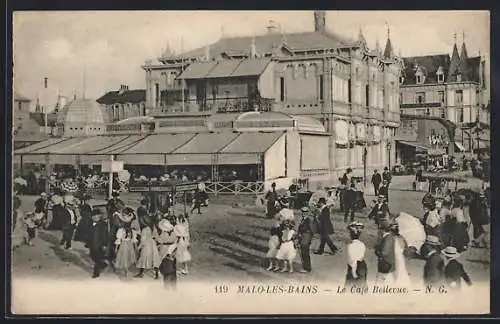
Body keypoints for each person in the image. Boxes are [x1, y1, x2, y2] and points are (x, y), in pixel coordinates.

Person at [114, 212, 139, 277]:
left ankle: (126, 270)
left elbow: (118, 240)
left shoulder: (121, 230)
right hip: (129, 245)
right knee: (128, 257)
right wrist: (135, 248)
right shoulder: (132, 230)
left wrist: (116, 248)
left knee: (124, 257)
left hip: (124, 245)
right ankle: (126, 270)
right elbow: (134, 240)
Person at [345, 222, 367, 288]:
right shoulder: (362, 244)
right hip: (362, 266)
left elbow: (353, 260)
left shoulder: (350, 246)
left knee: (349, 286)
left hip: (354, 268)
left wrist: (354, 272)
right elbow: (361, 256)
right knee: (362, 285)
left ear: (351, 235)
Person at [88, 209, 109, 278]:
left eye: (96, 216)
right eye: (93, 216)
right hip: (92, 244)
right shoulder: (90, 224)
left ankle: (96, 273)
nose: (94, 217)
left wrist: (105, 244)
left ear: (100, 216)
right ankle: (103, 264)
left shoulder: (103, 224)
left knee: (97, 258)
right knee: (93, 257)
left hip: (100, 245)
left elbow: (105, 236)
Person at [375, 219, 396, 283]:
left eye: (379, 229)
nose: (378, 231)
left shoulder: (388, 238)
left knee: (381, 284)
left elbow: (384, 253)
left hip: (386, 265)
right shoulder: (387, 237)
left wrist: (377, 251)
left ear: (382, 230)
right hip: (386, 265)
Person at [390, 221, 411, 286]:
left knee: (395, 273)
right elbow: (406, 249)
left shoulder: (392, 239)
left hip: (394, 257)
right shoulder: (402, 238)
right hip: (401, 257)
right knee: (401, 271)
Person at [297, 207, 315, 273]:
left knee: (305, 253)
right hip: (302, 238)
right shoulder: (302, 219)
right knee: (303, 252)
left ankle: (307, 268)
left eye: (305, 212)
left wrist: (310, 239)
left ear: (307, 212)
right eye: (302, 212)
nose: (303, 213)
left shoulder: (309, 220)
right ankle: (305, 267)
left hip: (306, 238)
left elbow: (312, 230)